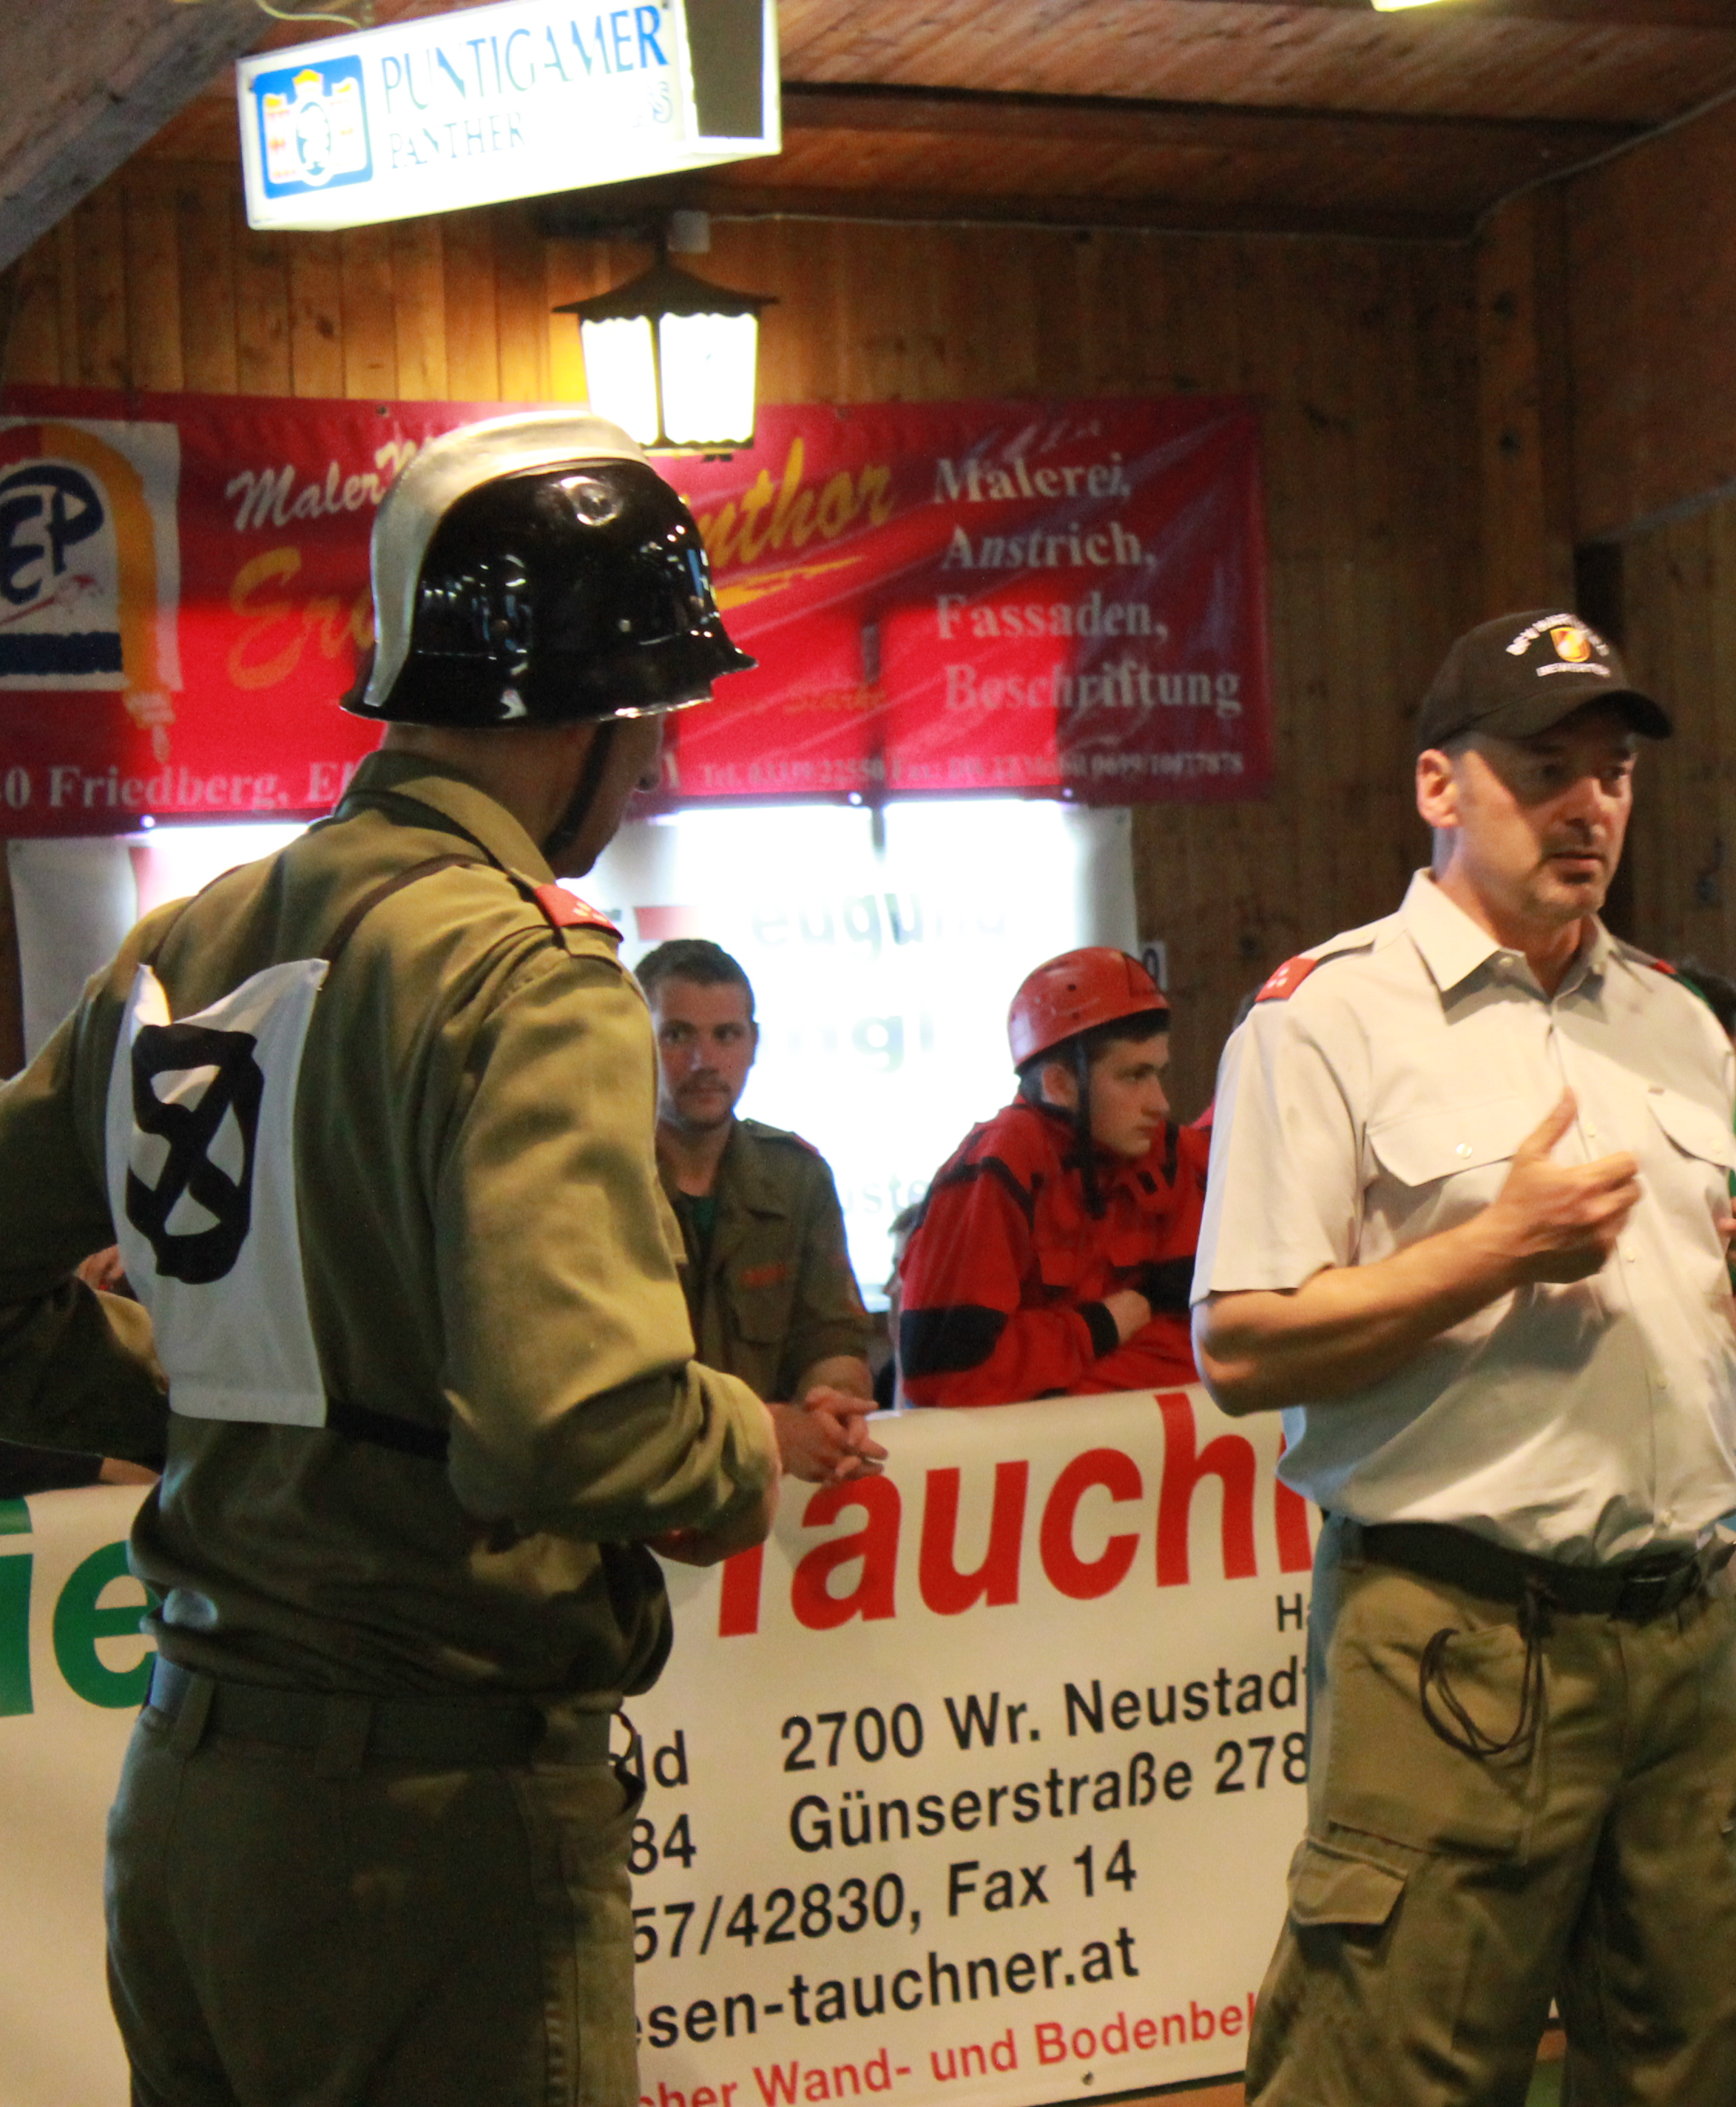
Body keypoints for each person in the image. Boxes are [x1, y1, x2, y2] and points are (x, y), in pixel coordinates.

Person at [0, 412, 783, 2107]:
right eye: (653, 716)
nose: (657, 766)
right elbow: (576, 1427)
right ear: (579, 711)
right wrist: (741, 1445)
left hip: (187, 1797)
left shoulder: (181, 945)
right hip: (423, 1836)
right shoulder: (527, 976)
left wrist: (197, 1401)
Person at [1192, 607, 1736, 2107]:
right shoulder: (1326, 1019)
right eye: (1546, 768)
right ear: (1439, 784)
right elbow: (1240, 1342)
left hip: (1683, 1644)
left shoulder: (1679, 1023)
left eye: (1614, 773)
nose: (1589, 805)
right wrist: (1495, 1246)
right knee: (1388, 2078)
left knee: (1704, 2077)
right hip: (1453, 1640)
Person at [894, 948, 1209, 1405]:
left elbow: (1209, 1348)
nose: (1160, 1103)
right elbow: (948, 1379)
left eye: (1157, 1074)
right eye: (1133, 1076)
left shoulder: (1178, 1158)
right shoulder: (993, 1170)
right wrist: (1103, 1325)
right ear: (1059, 1084)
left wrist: (1058, 1394)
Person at [636, 938, 885, 1484]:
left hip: (764, 1508)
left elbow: (832, 1339)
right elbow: (607, 1394)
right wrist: (765, 1431)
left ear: (753, 1045)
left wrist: (833, 1404)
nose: (705, 1061)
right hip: (642, 1500)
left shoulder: (796, 1179)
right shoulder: (600, 1186)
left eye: (726, 1035)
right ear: (635, 1043)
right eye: (677, 1036)